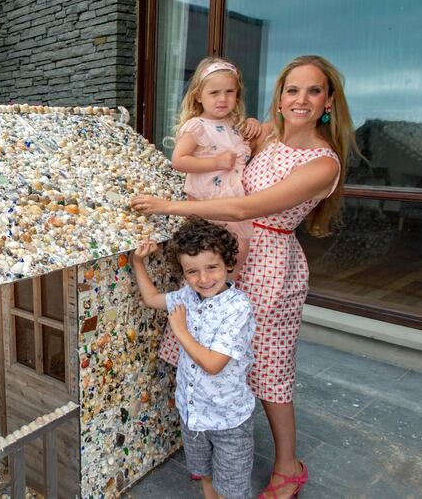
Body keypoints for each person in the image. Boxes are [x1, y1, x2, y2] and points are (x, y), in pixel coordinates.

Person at [132, 54, 357, 499]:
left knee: (268, 369)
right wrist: (251, 127)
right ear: (280, 96)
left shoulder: (323, 163)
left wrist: (169, 206)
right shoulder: (267, 133)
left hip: (270, 262)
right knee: (211, 344)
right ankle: (215, 435)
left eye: (314, 91)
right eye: (292, 89)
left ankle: (288, 467)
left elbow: (245, 207)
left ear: (328, 101)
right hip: (233, 250)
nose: (301, 99)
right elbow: (229, 154)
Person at [131, 217, 256, 499]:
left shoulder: (237, 308)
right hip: (194, 415)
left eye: (211, 267)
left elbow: (213, 364)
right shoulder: (189, 295)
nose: (203, 279)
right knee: (206, 477)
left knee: (233, 491)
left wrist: (180, 330)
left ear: (227, 263)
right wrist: (137, 262)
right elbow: (152, 299)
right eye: (192, 272)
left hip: (229, 420)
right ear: (184, 274)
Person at [169, 57, 261, 278]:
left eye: (229, 92)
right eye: (214, 93)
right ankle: (206, 300)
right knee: (207, 255)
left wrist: (253, 123)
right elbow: (178, 160)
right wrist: (215, 163)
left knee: (238, 251)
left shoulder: (235, 125)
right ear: (199, 96)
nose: (223, 98)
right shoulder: (198, 127)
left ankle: (227, 293)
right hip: (206, 204)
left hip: (231, 202)